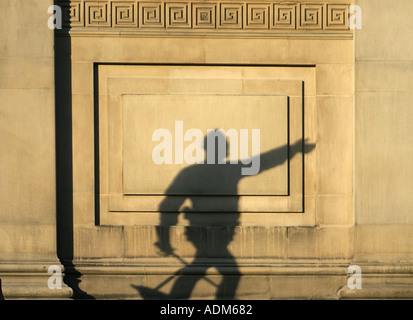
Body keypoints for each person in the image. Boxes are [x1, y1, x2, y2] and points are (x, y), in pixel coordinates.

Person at [153, 131, 315, 299]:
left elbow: (168, 205)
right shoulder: (228, 170)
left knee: (202, 268)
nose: (227, 151)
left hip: (208, 232)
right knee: (227, 273)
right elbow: (264, 162)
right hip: (210, 233)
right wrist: (294, 149)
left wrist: (164, 240)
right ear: (222, 150)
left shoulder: (192, 173)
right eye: (226, 148)